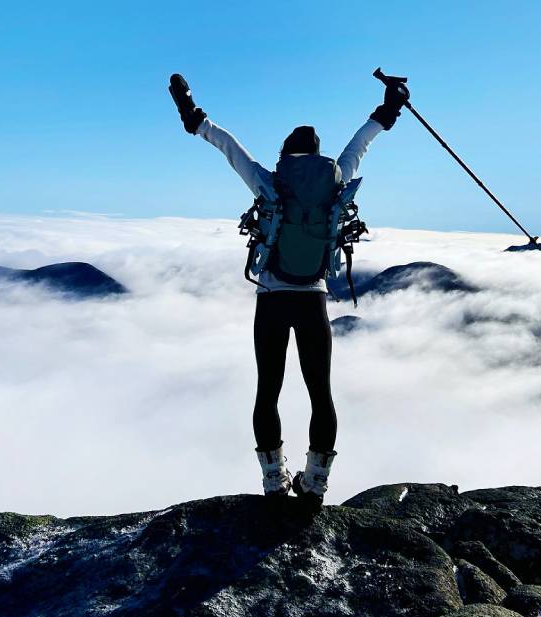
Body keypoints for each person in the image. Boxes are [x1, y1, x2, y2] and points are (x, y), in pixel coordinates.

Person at [168, 73, 407, 505]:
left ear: (286, 153)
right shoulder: (337, 176)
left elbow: (228, 147)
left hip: (273, 298)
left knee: (268, 390)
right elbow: (362, 142)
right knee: (321, 393)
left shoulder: (270, 181)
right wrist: (390, 106)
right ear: (316, 154)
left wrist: (191, 113)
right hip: (314, 297)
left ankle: (275, 483)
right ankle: (314, 484)